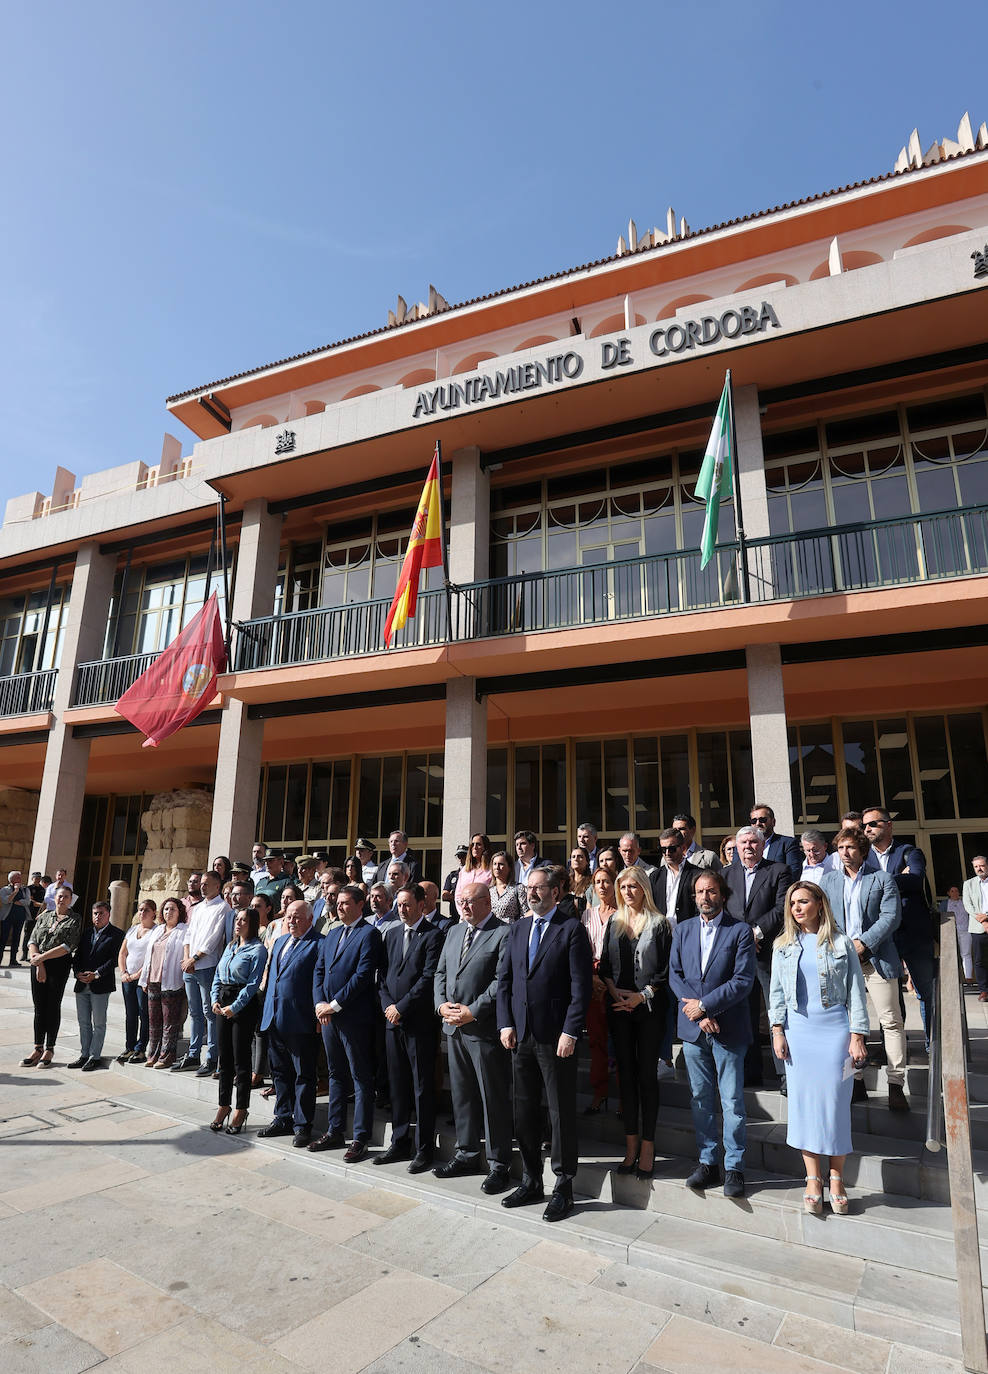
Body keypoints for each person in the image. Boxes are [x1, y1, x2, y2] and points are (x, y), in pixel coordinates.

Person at [497, 865, 593, 1223]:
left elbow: (580, 988)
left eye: (538, 888)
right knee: (524, 1111)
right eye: (528, 889)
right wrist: (505, 1023)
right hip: (520, 1036)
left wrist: (571, 1031)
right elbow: (505, 981)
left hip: (556, 1040)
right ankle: (531, 1179)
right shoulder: (518, 928)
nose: (531, 894)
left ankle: (564, 1186)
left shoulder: (571, 930)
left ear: (556, 892)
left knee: (559, 1112)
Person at [769, 882, 869, 1215]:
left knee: (835, 1107)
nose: (797, 908)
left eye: (803, 901)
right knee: (805, 1108)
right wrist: (777, 1031)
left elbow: (856, 991)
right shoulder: (783, 945)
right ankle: (813, 1179)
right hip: (799, 1033)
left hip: (834, 1032)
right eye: (792, 903)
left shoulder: (841, 943)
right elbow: (777, 995)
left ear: (819, 904)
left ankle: (837, 1178)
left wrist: (858, 1035)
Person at [669, 869, 756, 1198]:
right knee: (701, 1100)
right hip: (694, 1031)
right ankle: (708, 1162)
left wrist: (704, 1007)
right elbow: (675, 976)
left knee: (732, 1101)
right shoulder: (683, 930)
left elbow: (742, 981)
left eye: (711, 892)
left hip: (728, 1029)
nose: (705, 898)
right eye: (699, 892)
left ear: (723, 894)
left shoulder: (740, 931)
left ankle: (734, 1167)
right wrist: (696, 1012)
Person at [434, 883, 514, 1192]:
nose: (464, 906)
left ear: (486, 902)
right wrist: (441, 1005)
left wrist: (473, 1010)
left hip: (482, 1029)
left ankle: (499, 1164)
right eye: (460, 901)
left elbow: (501, 980)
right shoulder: (454, 932)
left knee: (491, 1097)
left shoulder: (503, 932)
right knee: (462, 1094)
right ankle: (466, 1153)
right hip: (453, 1027)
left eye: (470, 901)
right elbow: (441, 973)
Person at [821, 827, 907, 1111]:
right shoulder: (829, 879)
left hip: (877, 957)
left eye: (850, 848)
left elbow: (891, 917)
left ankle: (896, 1084)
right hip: (843, 961)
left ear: (863, 851)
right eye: (840, 848)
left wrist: (864, 943)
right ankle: (855, 1079)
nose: (844, 853)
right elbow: (825, 918)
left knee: (890, 1021)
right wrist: (842, 947)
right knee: (848, 1024)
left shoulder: (881, 879)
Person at [600, 867, 671, 1181]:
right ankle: (629, 1145)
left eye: (633, 886)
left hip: (648, 1009)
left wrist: (640, 997)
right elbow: (604, 965)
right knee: (625, 1079)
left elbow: (666, 974)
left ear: (644, 888)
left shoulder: (660, 924)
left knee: (646, 1079)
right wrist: (614, 990)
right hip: (618, 1008)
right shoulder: (613, 923)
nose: (628, 892)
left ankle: (647, 1147)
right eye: (623, 887)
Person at [309, 884, 383, 1162]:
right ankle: (335, 1130)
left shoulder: (369, 934)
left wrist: (335, 1004)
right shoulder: (332, 933)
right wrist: (319, 1004)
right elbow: (319, 970)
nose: (339, 907)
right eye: (337, 903)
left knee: (360, 1078)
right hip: (327, 1017)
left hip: (353, 1017)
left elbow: (363, 975)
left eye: (345, 903)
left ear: (360, 905)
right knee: (335, 1074)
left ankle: (360, 1138)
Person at [376, 883, 443, 1172]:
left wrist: (401, 1006)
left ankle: (424, 1148)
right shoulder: (390, 934)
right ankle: (399, 1141)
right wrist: (389, 1006)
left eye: (407, 904)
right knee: (398, 1086)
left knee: (422, 1087)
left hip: (419, 1024)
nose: (402, 909)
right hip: (392, 1023)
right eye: (399, 904)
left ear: (421, 904)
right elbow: (381, 977)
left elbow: (428, 978)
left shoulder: (433, 935)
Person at [861, 806, 936, 1051]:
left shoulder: (909, 852)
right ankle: (894, 1048)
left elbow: (915, 879)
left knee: (926, 990)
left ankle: (933, 1045)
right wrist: (893, 877)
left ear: (889, 824)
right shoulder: (864, 858)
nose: (867, 829)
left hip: (914, 932)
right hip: (883, 935)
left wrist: (880, 881)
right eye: (865, 825)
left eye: (873, 824)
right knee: (890, 997)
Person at [723, 825, 791, 1090]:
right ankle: (750, 1072)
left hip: (768, 953)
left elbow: (781, 907)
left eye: (753, 842)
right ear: (736, 848)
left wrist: (756, 933)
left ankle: (785, 1073)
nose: (748, 847)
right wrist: (742, 937)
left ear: (763, 846)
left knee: (777, 1011)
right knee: (744, 1014)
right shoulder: (725, 874)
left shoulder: (778, 870)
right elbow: (723, 911)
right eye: (743, 843)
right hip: (738, 956)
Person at [258, 900, 323, 1147]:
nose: (291, 921)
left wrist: (318, 1016)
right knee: (279, 1072)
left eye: (296, 917)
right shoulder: (281, 941)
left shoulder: (319, 943)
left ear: (309, 919)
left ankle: (302, 1124)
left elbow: (320, 982)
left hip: (301, 1019)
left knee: (303, 1074)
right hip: (275, 1017)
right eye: (288, 917)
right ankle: (282, 1117)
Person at [209, 906, 268, 1134]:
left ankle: (241, 1109)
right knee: (224, 1058)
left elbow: (253, 984)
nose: (238, 923)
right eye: (237, 919)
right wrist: (215, 999)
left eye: (243, 920)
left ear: (252, 923)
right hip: (222, 999)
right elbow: (217, 975)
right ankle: (224, 1105)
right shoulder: (231, 946)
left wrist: (234, 1007)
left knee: (241, 1060)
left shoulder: (258, 950)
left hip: (241, 1004)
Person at [173, 870, 231, 1078]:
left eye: (207, 884)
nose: (203, 887)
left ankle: (212, 1056)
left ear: (218, 886)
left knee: (210, 1013)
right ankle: (193, 1053)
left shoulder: (222, 907)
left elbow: (213, 939)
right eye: (202, 884)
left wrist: (195, 959)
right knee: (195, 1013)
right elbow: (189, 934)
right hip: (189, 966)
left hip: (206, 966)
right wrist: (187, 956)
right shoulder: (197, 908)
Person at [23, 884, 83, 1066]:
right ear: (54, 898)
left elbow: (67, 946)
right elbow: (33, 940)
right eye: (59, 896)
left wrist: (42, 958)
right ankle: (37, 1047)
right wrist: (39, 962)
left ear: (70, 900)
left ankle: (50, 1048)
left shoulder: (75, 919)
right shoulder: (45, 916)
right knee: (39, 1007)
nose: (61, 899)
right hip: (38, 964)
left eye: (65, 896)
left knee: (52, 1006)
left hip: (58, 965)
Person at [67, 901, 125, 1072]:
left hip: (101, 984)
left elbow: (114, 960)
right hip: (82, 984)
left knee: (98, 1023)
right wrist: (77, 973)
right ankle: (84, 1055)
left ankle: (95, 1057)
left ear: (108, 914)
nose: (97, 917)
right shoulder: (86, 933)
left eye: (101, 913)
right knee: (83, 1022)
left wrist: (97, 974)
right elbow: (77, 957)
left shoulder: (117, 934)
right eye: (95, 913)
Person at [582, 866, 617, 1114]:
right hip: (592, 982)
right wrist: (592, 978)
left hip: (617, 981)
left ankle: (624, 1098)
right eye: (598, 882)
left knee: (619, 1042)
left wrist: (607, 981)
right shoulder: (586, 916)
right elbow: (581, 950)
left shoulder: (624, 914)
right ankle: (599, 1092)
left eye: (606, 881)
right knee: (596, 1041)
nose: (602, 886)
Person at [140, 898, 189, 1069]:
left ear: (180, 912)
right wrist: (144, 979)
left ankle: (167, 1055)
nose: (169, 912)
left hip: (172, 982)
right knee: (154, 1021)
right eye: (166, 909)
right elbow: (148, 956)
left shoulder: (184, 930)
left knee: (170, 1022)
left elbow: (184, 954)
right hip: (153, 980)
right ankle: (152, 1054)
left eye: (173, 909)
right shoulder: (158, 930)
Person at [116, 900, 157, 1063]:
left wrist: (136, 975)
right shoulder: (132, 929)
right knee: (130, 1014)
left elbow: (150, 958)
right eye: (140, 910)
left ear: (154, 912)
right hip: (127, 978)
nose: (143, 913)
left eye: (146, 910)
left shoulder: (156, 931)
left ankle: (141, 1048)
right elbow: (122, 953)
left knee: (143, 1013)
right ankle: (130, 1046)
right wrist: (124, 972)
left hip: (143, 979)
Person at [652, 829, 698, 924]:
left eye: (672, 849)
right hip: (662, 935)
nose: (667, 853)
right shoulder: (655, 876)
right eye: (663, 849)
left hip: (688, 932)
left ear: (683, 847)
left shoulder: (697, 874)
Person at [748, 804, 801, 881]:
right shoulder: (742, 846)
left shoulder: (787, 844)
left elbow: (793, 874)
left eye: (762, 820)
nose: (757, 823)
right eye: (753, 821)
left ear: (773, 822)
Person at [963, 856, 988, 999]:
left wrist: (987, 916)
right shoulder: (969, 884)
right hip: (977, 927)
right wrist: (983, 921)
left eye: (982, 865)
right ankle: (984, 990)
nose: (979, 869)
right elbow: (968, 905)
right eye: (976, 867)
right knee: (980, 960)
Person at [455, 833, 494, 916]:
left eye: (478, 844)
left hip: (484, 916)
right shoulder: (464, 870)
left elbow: (492, 895)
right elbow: (458, 895)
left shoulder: (491, 869)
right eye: (472, 844)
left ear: (485, 847)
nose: (475, 847)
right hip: (465, 916)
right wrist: (463, 914)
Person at [0, 871, 32, 966]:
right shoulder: (4, 890)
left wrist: (16, 901)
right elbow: (6, 900)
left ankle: (13, 960)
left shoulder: (25, 890)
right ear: (11, 880)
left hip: (20, 918)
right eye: (18, 877)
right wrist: (15, 892)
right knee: (3, 939)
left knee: (16, 939)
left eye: (20, 877)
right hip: (7, 918)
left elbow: (27, 902)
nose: (20, 879)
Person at [942, 885, 972, 981]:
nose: (955, 893)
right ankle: (952, 978)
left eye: (956, 891)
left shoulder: (965, 903)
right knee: (950, 955)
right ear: (948, 893)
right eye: (952, 891)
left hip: (965, 931)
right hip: (950, 932)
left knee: (966, 954)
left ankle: (968, 977)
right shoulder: (944, 904)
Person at [489, 851, 526, 923]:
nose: (497, 867)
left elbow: (525, 914)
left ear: (509, 867)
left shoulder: (518, 888)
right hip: (492, 931)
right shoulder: (489, 890)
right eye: (495, 864)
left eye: (501, 864)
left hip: (511, 931)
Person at [442, 843, 469, 920]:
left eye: (463, 856)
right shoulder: (452, 875)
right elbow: (444, 895)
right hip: (455, 914)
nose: (461, 859)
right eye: (458, 856)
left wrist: (453, 895)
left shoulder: (473, 874)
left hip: (469, 912)